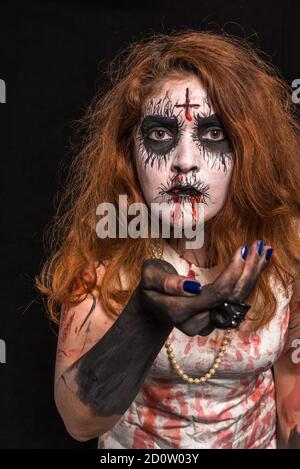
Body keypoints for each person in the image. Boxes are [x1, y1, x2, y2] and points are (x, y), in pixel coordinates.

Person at [36, 30, 300, 449]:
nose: (185, 163)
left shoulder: (284, 249)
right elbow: (78, 423)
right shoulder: (108, 255)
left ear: (249, 150)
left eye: (213, 135)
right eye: (160, 135)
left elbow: (292, 377)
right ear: (129, 152)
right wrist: (145, 319)